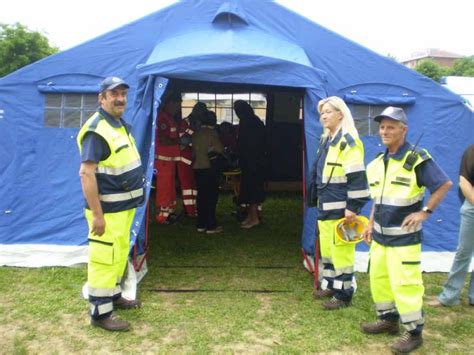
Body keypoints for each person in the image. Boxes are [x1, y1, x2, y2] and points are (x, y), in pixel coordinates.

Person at [361, 106, 452, 353]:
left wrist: (425, 212)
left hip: (404, 240)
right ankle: (388, 320)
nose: (385, 131)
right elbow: (377, 199)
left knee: (406, 283)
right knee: (379, 279)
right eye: (382, 126)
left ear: (404, 129)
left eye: (391, 127)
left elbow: (444, 184)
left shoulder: (417, 158)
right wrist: (369, 223)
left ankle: (413, 332)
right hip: (380, 237)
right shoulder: (379, 162)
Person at [77, 76, 143, 332]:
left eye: (123, 94)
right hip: (106, 211)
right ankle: (100, 313)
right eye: (113, 94)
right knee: (104, 259)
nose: (120, 99)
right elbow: (86, 173)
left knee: (118, 254)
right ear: (101, 98)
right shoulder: (97, 130)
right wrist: (97, 215)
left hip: (123, 209)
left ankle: (114, 295)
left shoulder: (118, 124)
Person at [308, 96, 370, 310]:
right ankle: (333, 286)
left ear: (340, 114)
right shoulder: (326, 139)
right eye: (322, 113)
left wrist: (353, 207)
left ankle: (344, 294)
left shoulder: (349, 142)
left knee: (342, 251)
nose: (323, 116)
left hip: (342, 208)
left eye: (328, 112)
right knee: (328, 250)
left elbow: (357, 178)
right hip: (325, 204)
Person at [428, 144, 474, 307]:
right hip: (472, 207)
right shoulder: (471, 151)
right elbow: (464, 182)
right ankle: (449, 296)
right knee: (464, 252)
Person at [234, 100, 266, 229]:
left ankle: (254, 218)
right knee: (248, 189)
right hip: (251, 161)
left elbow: (249, 143)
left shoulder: (250, 122)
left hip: (253, 162)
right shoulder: (253, 120)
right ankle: (251, 216)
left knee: (252, 190)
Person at [192, 110, 224, 234]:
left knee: (201, 196)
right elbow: (219, 149)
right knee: (211, 197)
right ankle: (211, 225)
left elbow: (194, 152)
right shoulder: (212, 133)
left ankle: (201, 223)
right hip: (210, 167)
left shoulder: (196, 133)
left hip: (197, 167)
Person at [154, 92, 182, 224]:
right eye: (177, 105)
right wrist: (179, 141)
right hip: (163, 160)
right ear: (170, 103)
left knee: (170, 188)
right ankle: (162, 216)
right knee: (164, 188)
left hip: (169, 160)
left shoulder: (169, 118)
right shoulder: (163, 119)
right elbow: (163, 139)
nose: (178, 108)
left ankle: (169, 212)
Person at [176, 103, 203, 218]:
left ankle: (192, 209)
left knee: (194, 185)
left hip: (194, 158)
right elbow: (183, 141)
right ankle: (190, 211)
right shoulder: (185, 123)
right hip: (184, 159)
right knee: (187, 186)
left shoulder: (198, 123)